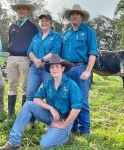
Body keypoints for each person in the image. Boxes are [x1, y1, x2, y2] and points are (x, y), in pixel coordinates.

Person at [0, 54, 83, 150]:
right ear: (49, 70)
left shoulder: (71, 85)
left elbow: (77, 108)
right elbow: (36, 99)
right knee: (28, 104)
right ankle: (13, 142)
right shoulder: (49, 83)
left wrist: (64, 124)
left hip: (64, 119)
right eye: (52, 67)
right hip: (49, 115)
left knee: (44, 145)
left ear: (63, 68)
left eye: (57, 67)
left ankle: (65, 135)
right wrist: (51, 108)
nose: (54, 69)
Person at [62, 4, 99, 135]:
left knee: (82, 100)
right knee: (67, 99)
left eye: (77, 14)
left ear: (81, 17)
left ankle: (85, 131)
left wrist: (88, 71)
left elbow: (93, 53)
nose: (74, 16)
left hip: (80, 68)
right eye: (72, 14)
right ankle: (72, 128)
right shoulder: (66, 33)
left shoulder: (88, 32)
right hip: (66, 69)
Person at [7, 0, 38, 119]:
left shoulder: (32, 27)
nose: (21, 11)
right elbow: (10, 41)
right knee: (11, 85)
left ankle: (23, 114)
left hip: (25, 59)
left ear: (28, 11)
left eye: (24, 9)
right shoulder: (12, 25)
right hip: (11, 58)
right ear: (17, 11)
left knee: (25, 86)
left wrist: (32, 59)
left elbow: (35, 43)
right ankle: (10, 114)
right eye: (19, 9)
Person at [26, 14, 62, 101]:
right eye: (42, 21)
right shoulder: (36, 36)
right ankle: (29, 113)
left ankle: (48, 113)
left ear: (51, 23)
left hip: (48, 68)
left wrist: (41, 60)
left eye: (46, 20)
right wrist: (36, 61)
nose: (44, 22)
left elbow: (55, 51)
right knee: (30, 93)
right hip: (35, 68)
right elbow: (29, 51)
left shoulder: (56, 36)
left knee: (50, 94)